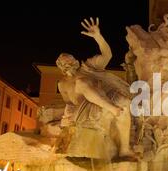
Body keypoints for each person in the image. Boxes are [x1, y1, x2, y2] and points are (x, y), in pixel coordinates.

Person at [56, 17, 134, 160]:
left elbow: (107, 55)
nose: (69, 60)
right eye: (65, 60)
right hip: (83, 110)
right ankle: (112, 108)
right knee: (81, 83)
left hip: (103, 99)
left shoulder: (88, 67)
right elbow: (68, 103)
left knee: (125, 102)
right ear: (61, 66)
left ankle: (125, 150)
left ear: (75, 60)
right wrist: (66, 120)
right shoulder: (62, 83)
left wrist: (98, 36)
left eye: (71, 58)